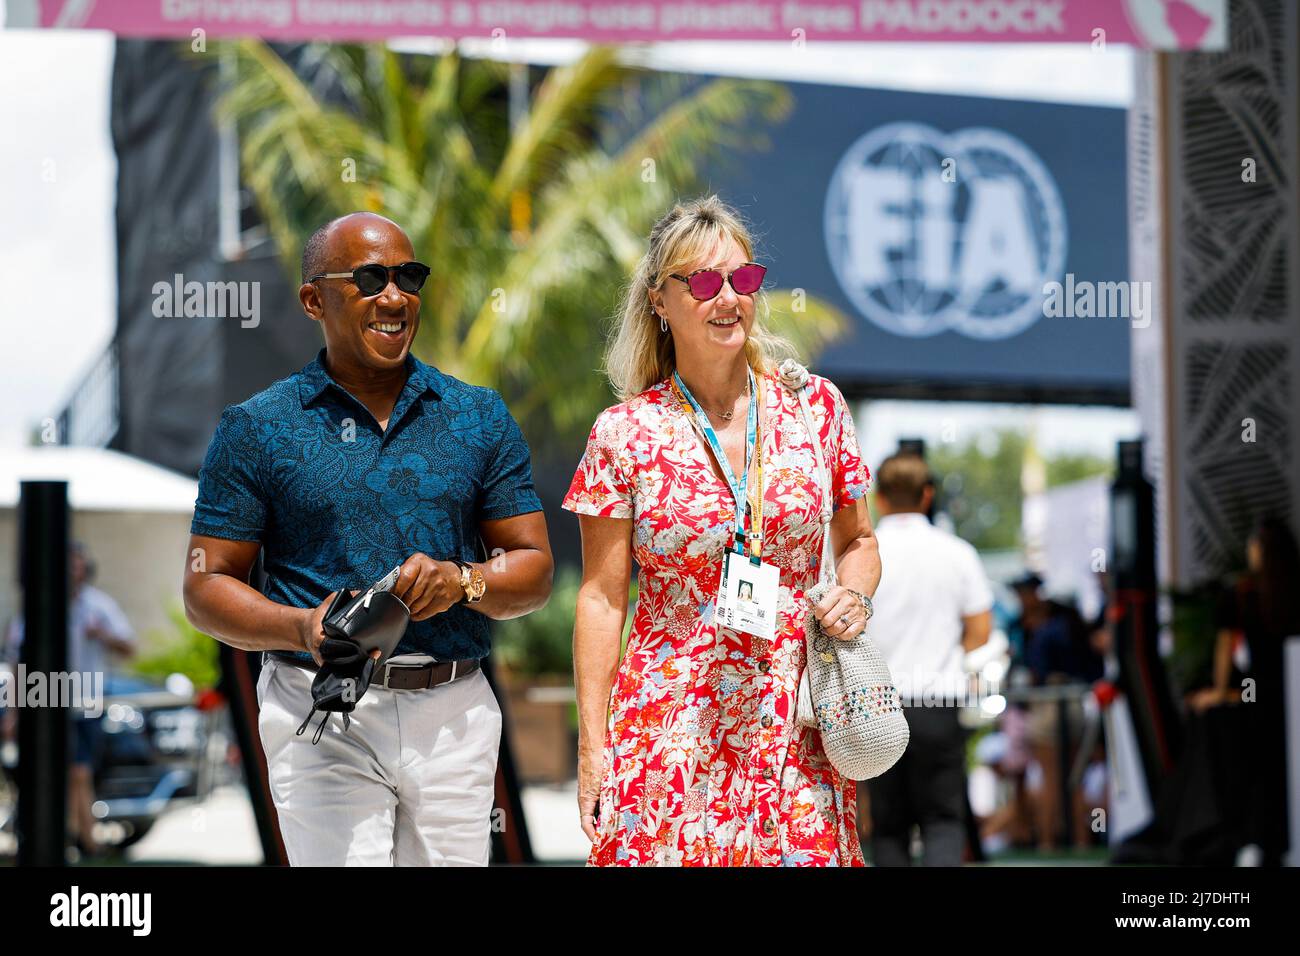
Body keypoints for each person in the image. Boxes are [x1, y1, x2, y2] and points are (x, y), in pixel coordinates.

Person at [182, 212, 553, 866]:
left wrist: (462, 581)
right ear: (312, 298)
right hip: (319, 709)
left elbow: (533, 568)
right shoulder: (256, 428)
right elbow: (206, 586)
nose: (395, 296)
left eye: (409, 277)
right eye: (371, 278)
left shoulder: (479, 417)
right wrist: (302, 628)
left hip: (454, 715)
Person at [563, 195, 881, 866]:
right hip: (668, 725)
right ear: (660, 300)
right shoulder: (625, 433)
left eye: (744, 279)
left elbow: (858, 541)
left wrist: (854, 594)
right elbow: (600, 599)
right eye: (704, 283)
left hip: (792, 716)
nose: (728, 298)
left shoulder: (815, 408)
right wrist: (593, 747)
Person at [863, 453, 992, 865]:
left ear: (879, 498)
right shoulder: (957, 553)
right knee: (942, 819)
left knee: (887, 824)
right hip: (938, 701)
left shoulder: (860, 555)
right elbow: (980, 632)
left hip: (878, 705)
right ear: (928, 495)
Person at [6, 542, 136, 856]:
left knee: (79, 772)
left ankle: (80, 838)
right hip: (45, 696)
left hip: (86, 696)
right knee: (58, 771)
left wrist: (102, 635)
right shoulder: (38, 605)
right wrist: (14, 709)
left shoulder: (98, 606)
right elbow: (16, 661)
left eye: (76, 565)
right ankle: (80, 839)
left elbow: (130, 648)